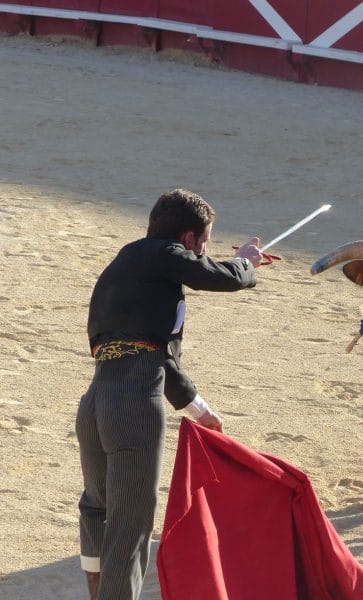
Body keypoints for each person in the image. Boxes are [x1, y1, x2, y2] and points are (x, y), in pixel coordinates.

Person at [75, 189, 270, 600]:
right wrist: (246, 263)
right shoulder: (165, 253)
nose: (205, 251)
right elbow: (220, 276)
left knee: (96, 506)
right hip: (133, 404)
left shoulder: (123, 265)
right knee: (130, 525)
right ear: (187, 240)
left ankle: (96, 592)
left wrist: (200, 410)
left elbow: (155, 353)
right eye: (205, 242)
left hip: (95, 401)